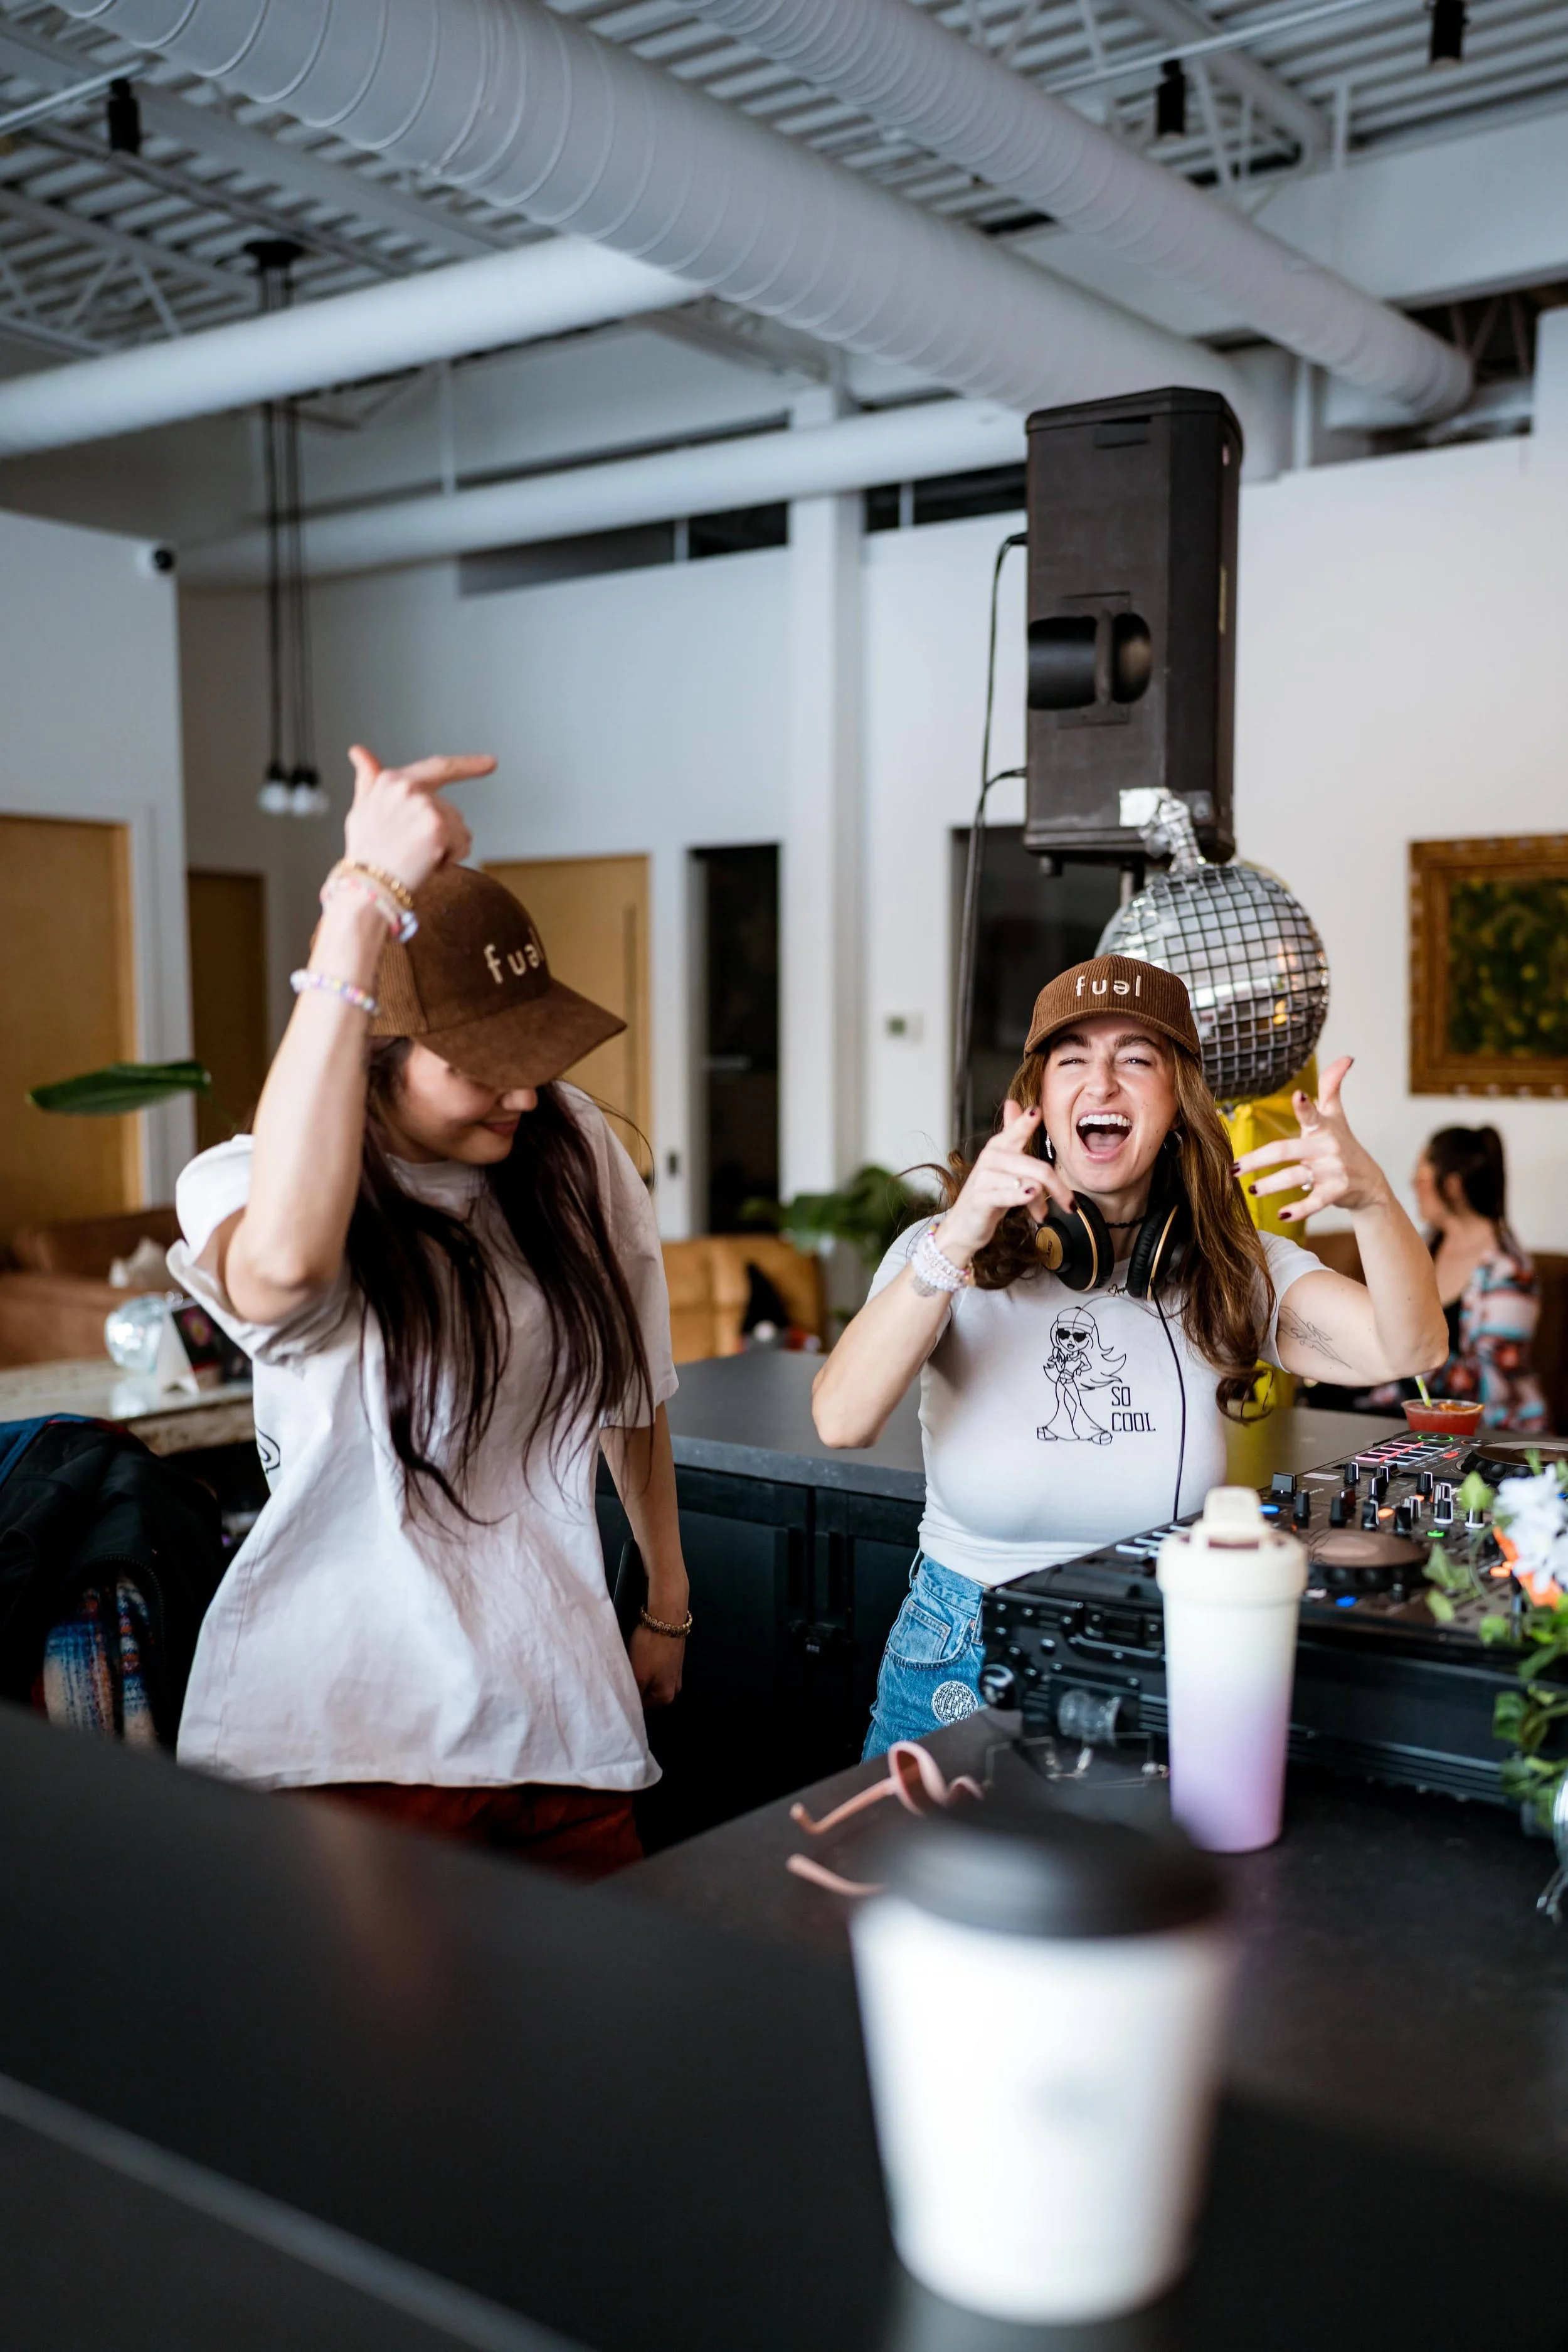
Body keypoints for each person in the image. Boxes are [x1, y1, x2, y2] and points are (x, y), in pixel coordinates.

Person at [167, 746, 689, 1879]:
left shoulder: (569, 1151)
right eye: (482, 1065)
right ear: (377, 1054)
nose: (520, 1092)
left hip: (564, 1724)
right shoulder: (244, 1184)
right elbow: (285, 1273)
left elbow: (629, 1387)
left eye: (534, 1055)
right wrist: (360, 898)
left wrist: (668, 1603)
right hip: (345, 1739)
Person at [812, 956, 1448, 1757]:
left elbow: (1412, 1344)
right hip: (961, 1647)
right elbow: (840, 1421)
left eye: (1136, 1059)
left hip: (1163, 1640)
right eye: (1072, 1058)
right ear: (1037, 1102)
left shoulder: (1233, 1269)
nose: (1102, 1082)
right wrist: (955, 1242)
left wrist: (1372, 1203)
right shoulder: (940, 1255)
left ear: (1179, 1103)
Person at [1353, 1126, 1545, 1434]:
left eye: (1421, 1174)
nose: (1412, 1184)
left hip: (1490, 1429)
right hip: (1410, 1413)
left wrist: (1409, 1352)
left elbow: (1492, 1387)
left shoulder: (1509, 1271)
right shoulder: (1425, 1246)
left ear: (1452, 1186)